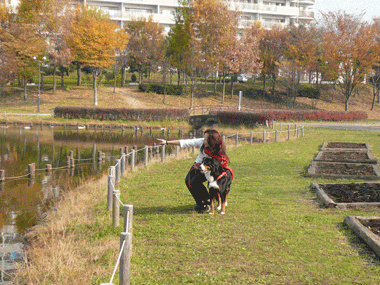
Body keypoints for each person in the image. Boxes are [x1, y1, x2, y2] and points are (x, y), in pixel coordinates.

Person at [157, 129, 233, 213]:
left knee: (200, 183)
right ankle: (201, 204)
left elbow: (221, 164)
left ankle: (207, 204)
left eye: (206, 139)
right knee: (189, 181)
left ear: (212, 141)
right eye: (204, 138)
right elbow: (186, 142)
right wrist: (167, 142)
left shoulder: (219, 151)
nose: (203, 140)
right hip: (199, 166)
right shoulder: (202, 143)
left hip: (211, 170)